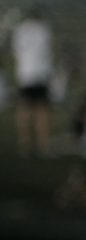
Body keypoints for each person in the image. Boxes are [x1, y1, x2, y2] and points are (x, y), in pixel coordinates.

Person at [12, 10, 54, 156]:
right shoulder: (44, 29)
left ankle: (25, 143)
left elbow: (17, 52)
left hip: (25, 74)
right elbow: (49, 50)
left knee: (24, 109)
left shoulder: (20, 30)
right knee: (42, 110)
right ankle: (44, 144)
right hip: (40, 74)